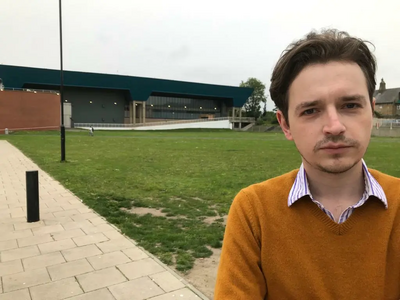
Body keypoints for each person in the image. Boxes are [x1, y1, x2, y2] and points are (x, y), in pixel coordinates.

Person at [214, 29, 400, 299]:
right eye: (311, 110)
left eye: (350, 105)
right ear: (285, 124)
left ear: (372, 111)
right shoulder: (254, 212)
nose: (334, 126)